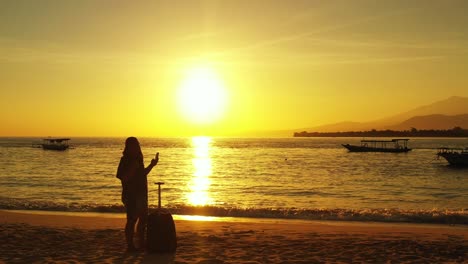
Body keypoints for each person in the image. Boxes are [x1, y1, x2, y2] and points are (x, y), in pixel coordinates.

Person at [116, 137, 159, 251]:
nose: (136, 148)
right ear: (128, 147)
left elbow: (142, 174)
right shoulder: (125, 160)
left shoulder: (138, 160)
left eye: (137, 145)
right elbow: (123, 178)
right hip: (131, 195)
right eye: (134, 146)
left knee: (143, 219)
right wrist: (132, 168)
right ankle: (130, 245)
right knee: (131, 220)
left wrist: (152, 165)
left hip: (142, 194)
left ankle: (141, 243)